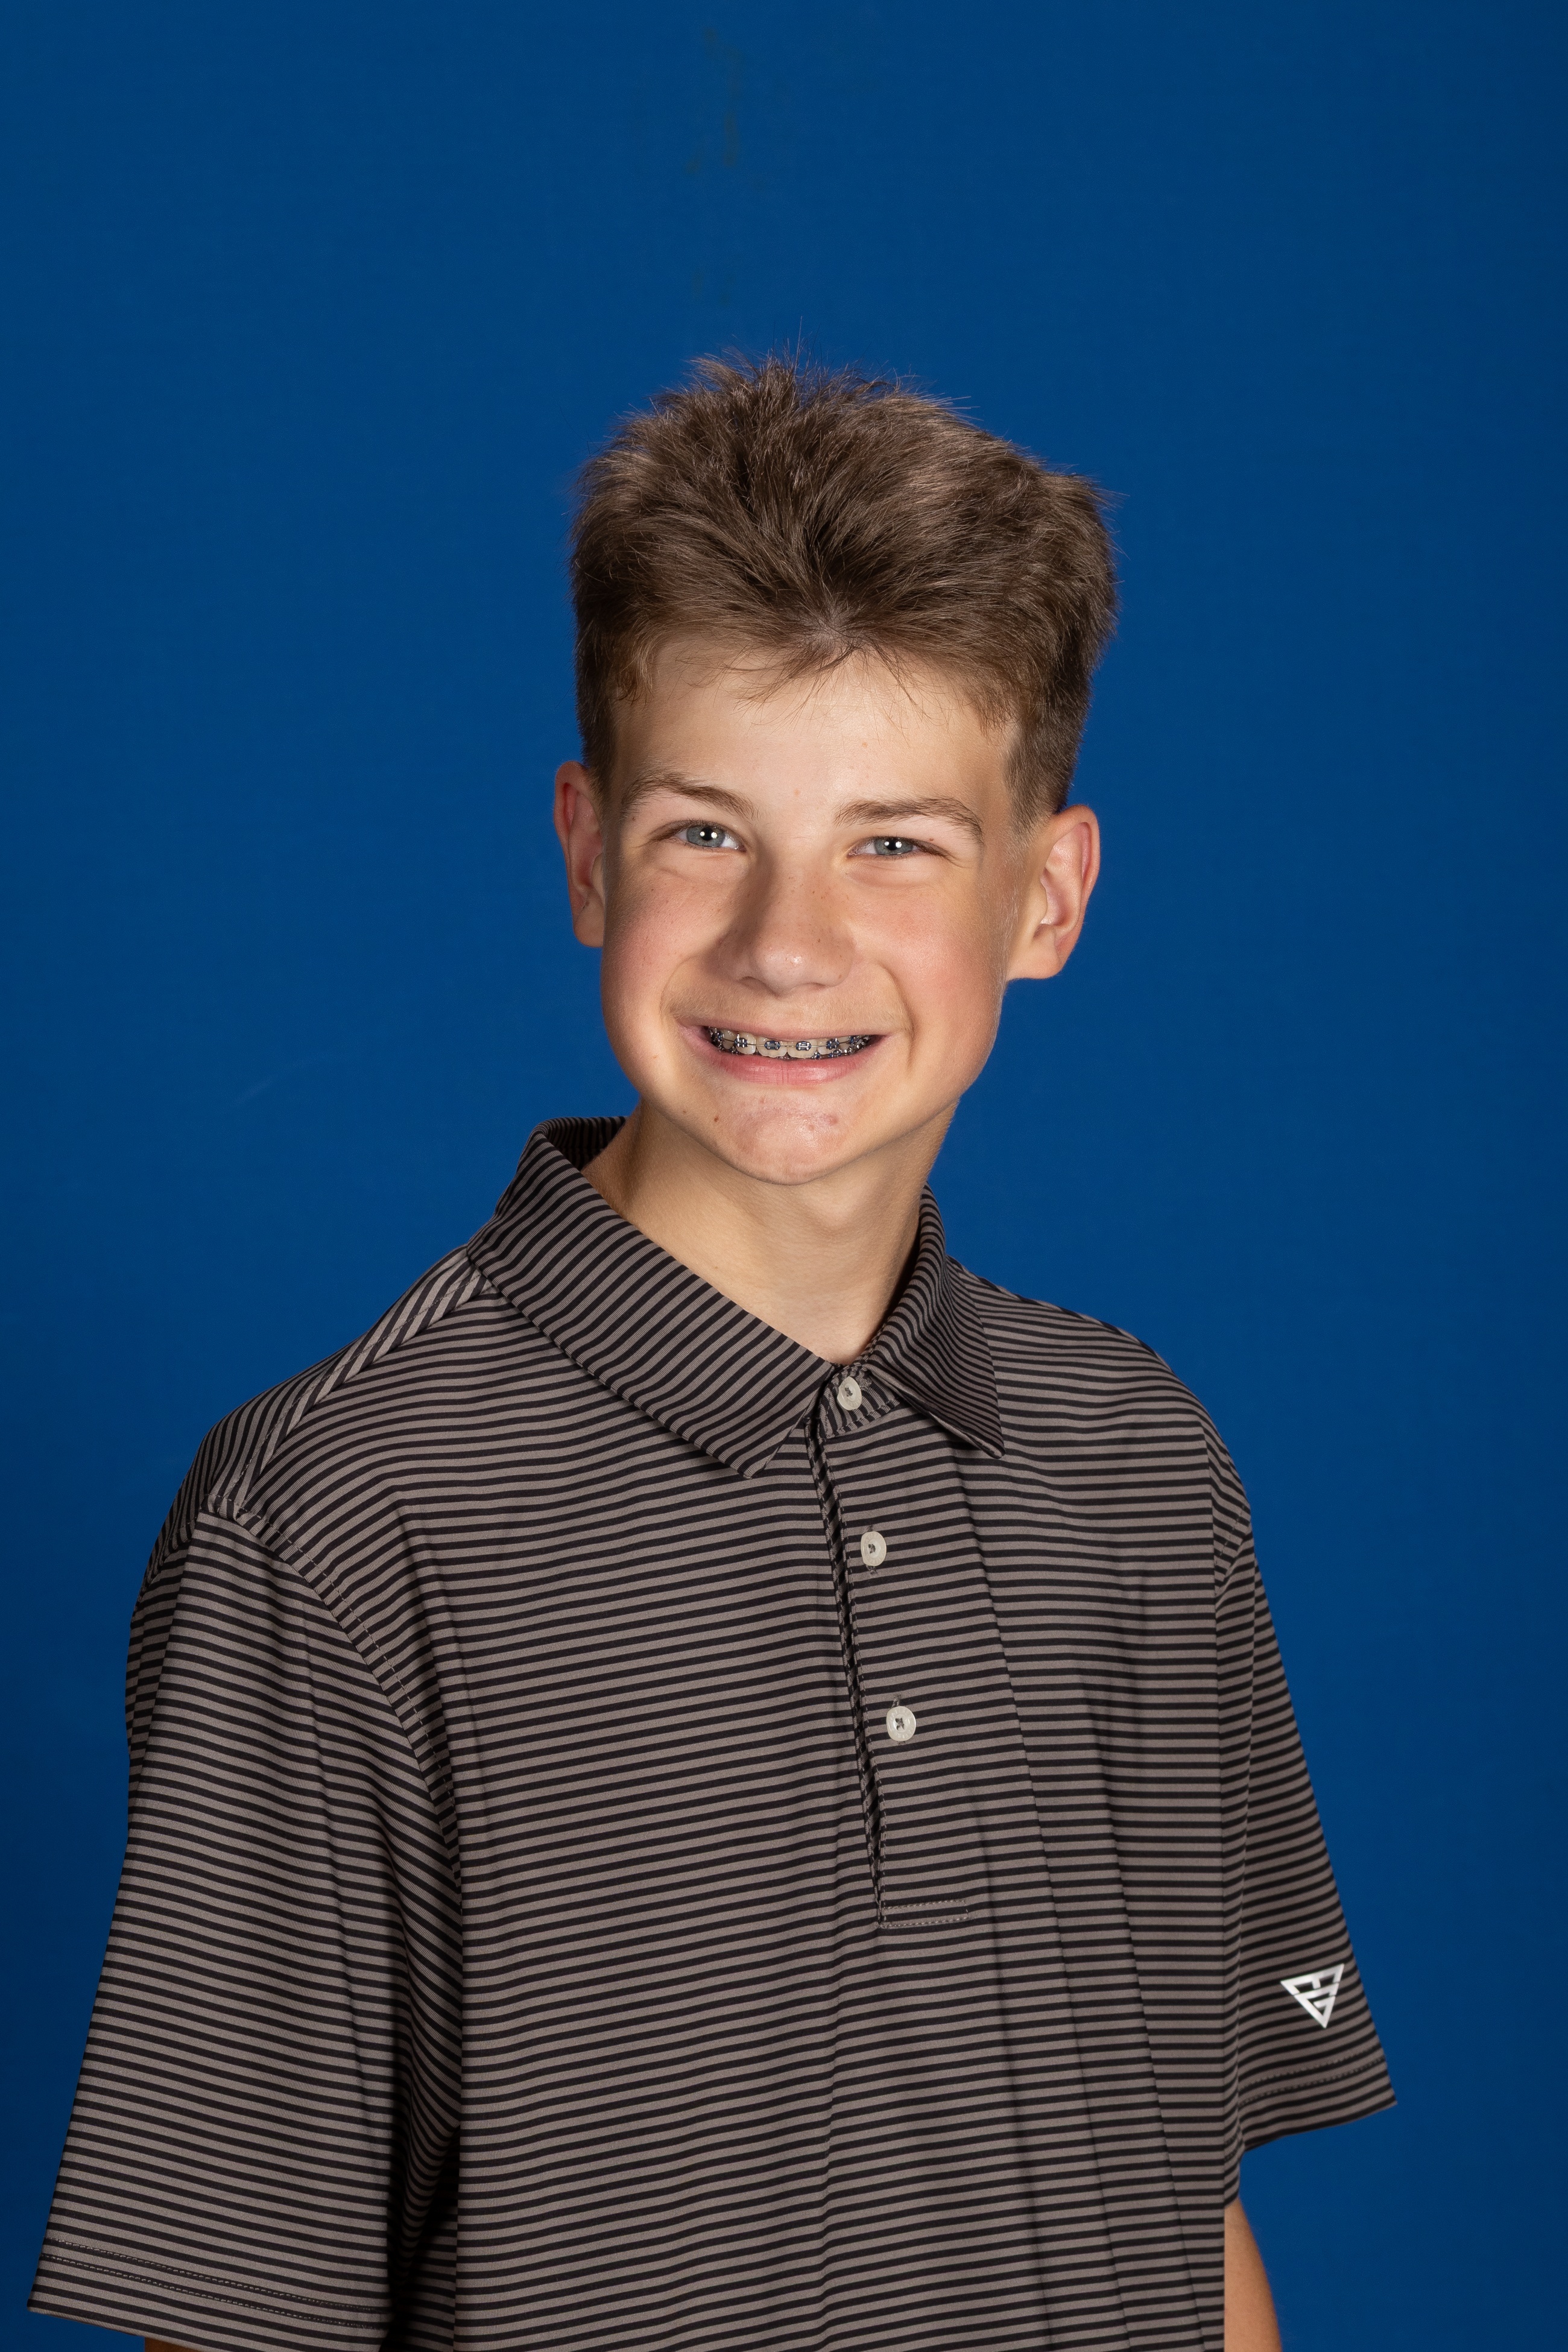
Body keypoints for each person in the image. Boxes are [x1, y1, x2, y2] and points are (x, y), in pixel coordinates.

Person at [32, 355, 1391, 2352]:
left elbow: (1187, 2205)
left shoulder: (1139, 1465)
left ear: (1048, 894)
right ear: (587, 852)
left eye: (896, 844)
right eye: (705, 833)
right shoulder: (337, 1521)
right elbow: (240, 2316)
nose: (788, 941)